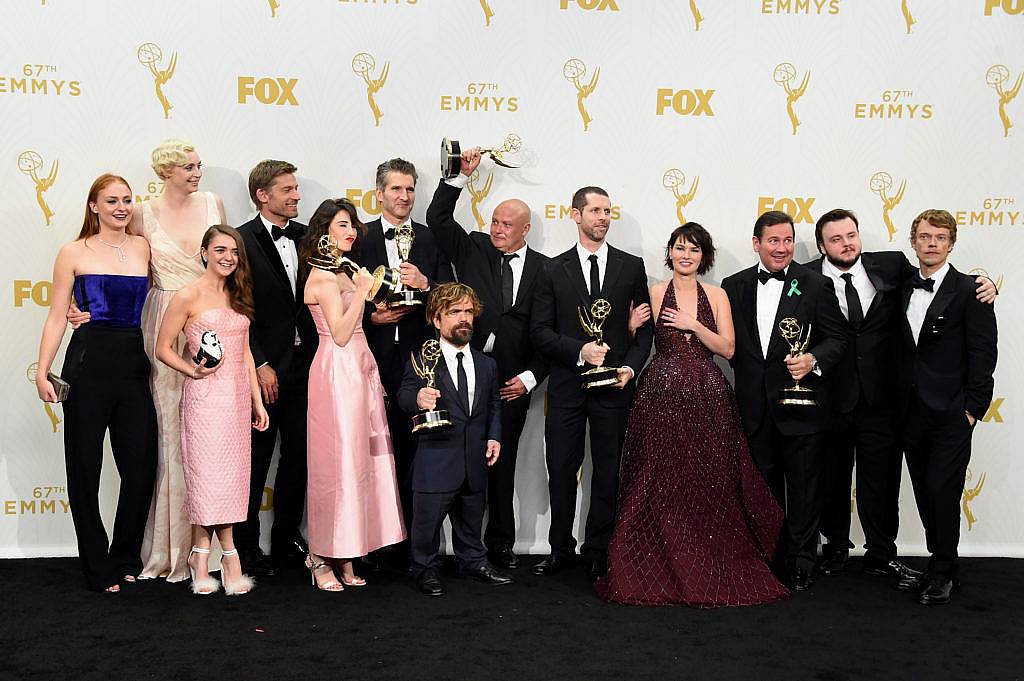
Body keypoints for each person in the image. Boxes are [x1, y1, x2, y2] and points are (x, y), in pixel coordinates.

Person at [594, 223, 789, 607]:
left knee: (709, 480)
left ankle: (709, 558)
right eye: (680, 248)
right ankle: (651, 562)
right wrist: (631, 330)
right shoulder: (653, 292)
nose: (686, 255)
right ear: (670, 253)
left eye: (694, 250)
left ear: (704, 257)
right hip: (659, 395)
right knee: (655, 479)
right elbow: (636, 345)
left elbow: (729, 349)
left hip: (707, 394)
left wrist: (694, 324)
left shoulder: (717, 295)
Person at [805, 209, 996, 580]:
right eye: (836, 239)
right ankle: (836, 548)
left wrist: (986, 282)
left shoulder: (892, 266)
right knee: (832, 478)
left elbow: (943, 282)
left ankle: (881, 553)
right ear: (821, 246)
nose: (846, 243)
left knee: (882, 481)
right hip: (833, 397)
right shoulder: (807, 276)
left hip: (885, 400)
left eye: (851, 235)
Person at [424, 148, 550, 569]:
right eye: (495, 221)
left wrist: (532, 378)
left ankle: (499, 547)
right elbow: (438, 220)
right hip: (464, 378)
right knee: (456, 464)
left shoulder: (546, 270)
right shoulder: (474, 247)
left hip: (515, 384)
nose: (498, 229)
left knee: (502, 466)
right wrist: (458, 177)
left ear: (525, 229)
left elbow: (551, 334)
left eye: (507, 224)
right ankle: (453, 550)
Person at [35, 173, 157, 592]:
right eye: (111, 201)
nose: (121, 207)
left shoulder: (143, 246)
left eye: (127, 199)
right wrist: (41, 369)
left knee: (140, 468)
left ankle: (125, 556)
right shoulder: (73, 251)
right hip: (87, 364)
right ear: (94, 206)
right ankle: (96, 565)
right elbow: (56, 316)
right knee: (85, 469)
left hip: (134, 365)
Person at [530, 186, 654, 581]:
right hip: (567, 387)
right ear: (575, 215)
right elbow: (540, 332)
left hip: (614, 387)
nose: (602, 218)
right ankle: (559, 548)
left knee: (608, 469)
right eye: (596, 211)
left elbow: (644, 330)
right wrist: (580, 350)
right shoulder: (552, 268)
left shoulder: (631, 266)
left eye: (607, 211)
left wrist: (630, 368)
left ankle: (600, 549)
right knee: (562, 468)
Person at [721, 210, 847, 591]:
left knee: (806, 488)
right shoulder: (734, 284)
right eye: (774, 241)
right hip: (754, 407)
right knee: (764, 488)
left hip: (802, 405)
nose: (782, 248)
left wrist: (813, 360)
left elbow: (836, 339)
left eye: (788, 240)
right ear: (756, 243)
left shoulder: (814, 284)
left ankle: (802, 559)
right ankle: (767, 556)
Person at [299, 199, 406, 591]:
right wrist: (361, 292)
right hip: (336, 373)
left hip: (361, 370)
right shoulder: (321, 278)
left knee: (362, 462)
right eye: (343, 225)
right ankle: (319, 555)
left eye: (353, 225)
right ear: (323, 231)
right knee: (337, 466)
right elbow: (341, 334)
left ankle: (347, 552)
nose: (351, 232)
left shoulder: (343, 272)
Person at [156, 225, 268, 595]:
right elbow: (163, 347)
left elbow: (247, 354)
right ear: (204, 252)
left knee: (233, 481)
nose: (228, 258)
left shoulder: (239, 294)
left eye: (234, 252)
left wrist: (257, 401)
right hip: (204, 402)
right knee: (207, 480)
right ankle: (220, 556)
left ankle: (205, 554)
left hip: (236, 400)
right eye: (220, 250)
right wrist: (193, 370)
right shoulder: (187, 295)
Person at [893, 210, 997, 605]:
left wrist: (972, 409)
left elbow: (983, 353)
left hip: (952, 412)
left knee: (943, 488)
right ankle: (943, 562)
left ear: (951, 243)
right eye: (924, 236)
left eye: (939, 237)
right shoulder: (901, 286)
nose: (931, 243)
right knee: (923, 490)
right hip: (909, 411)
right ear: (913, 241)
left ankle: (941, 570)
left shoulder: (972, 290)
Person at [358, 158, 453, 564]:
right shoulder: (359, 237)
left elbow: (451, 297)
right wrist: (371, 315)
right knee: (372, 452)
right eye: (396, 189)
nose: (404, 196)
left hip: (419, 361)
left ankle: (415, 548)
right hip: (369, 357)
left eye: (410, 189)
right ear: (379, 194)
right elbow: (336, 297)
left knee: (416, 455)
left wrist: (426, 284)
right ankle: (373, 545)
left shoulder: (430, 239)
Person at [397, 283, 511, 596]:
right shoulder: (422, 359)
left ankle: (474, 561)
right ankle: (424, 568)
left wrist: (494, 437)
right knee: (426, 525)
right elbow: (404, 395)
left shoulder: (487, 364)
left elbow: (493, 406)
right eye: (454, 312)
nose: (464, 319)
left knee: (472, 520)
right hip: (436, 459)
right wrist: (418, 397)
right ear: (436, 319)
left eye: (468, 312)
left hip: (474, 459)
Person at [236, 160, 316, 576]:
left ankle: (285, 540)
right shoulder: (240, 241)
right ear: (262, 195)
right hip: (263, 370)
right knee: (255, 462)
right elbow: (236, 307)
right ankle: (247, 549)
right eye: (287, 189)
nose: (296, 195)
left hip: (307, 367)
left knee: (299, 458)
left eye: (297, 188)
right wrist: (260, 363)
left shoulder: (308, 238)